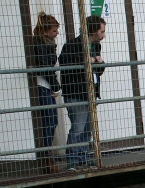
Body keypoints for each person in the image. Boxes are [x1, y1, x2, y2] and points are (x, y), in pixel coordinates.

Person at [57, 15, 106, 170]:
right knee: (78, 127)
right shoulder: (72, 45)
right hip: (75, 93)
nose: (104, 35)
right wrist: (88, 61)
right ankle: (72, 159)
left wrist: (100, 63)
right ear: (93, 31)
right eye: (102, 31)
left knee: (89, 128)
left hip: (90, 92)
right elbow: (67, 64)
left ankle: (83, 157)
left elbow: (99, 70)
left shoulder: (96, 46)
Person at [26, 13, 61, 167]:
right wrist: (56, 87)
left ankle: (47, 153)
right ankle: (46, 154)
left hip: (45, 85)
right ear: (46, 31)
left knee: (51, 120)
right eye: (54, 31)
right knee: (50, 120)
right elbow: (46, 68)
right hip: (42, 85)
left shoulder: (46, 43)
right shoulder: (41, 45)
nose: (57, 33)